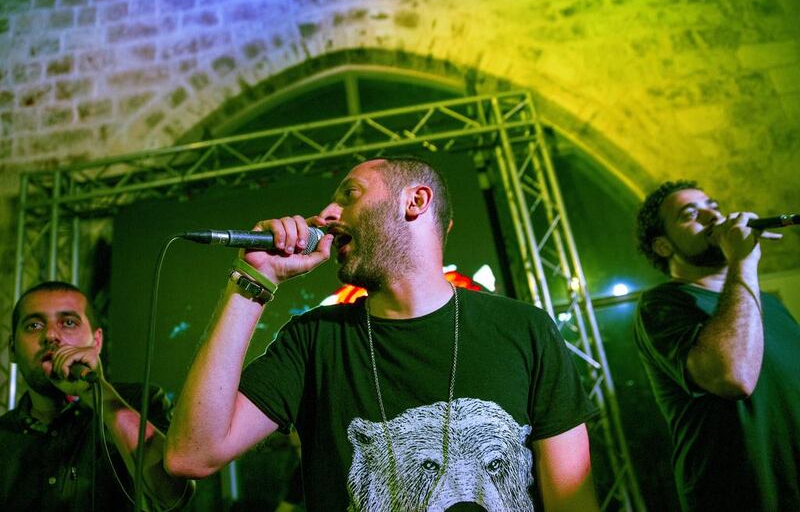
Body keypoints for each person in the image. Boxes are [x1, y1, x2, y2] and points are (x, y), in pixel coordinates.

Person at [165, 157, 599, 510]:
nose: (327, 215)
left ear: (415, 201)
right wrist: (252, 279)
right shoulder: (314, 341)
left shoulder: (523, 329)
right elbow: (191, 453)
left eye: (349, 195)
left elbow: (572, 501)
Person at [633, 180, 800, 511]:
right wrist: (744, 261)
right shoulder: (662, 304)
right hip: (742, 499)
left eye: (713, 205)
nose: (713, 215)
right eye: (690, 214)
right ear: (664, 246)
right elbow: (732, 375)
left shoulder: (768, 305)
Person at [0, 281, 194, 510]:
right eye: (33, 325)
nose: (51, 335)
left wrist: (97, 393)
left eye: (69, 323)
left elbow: (174, 496)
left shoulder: (140, 402)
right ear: (12, 348)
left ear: (97, 340)